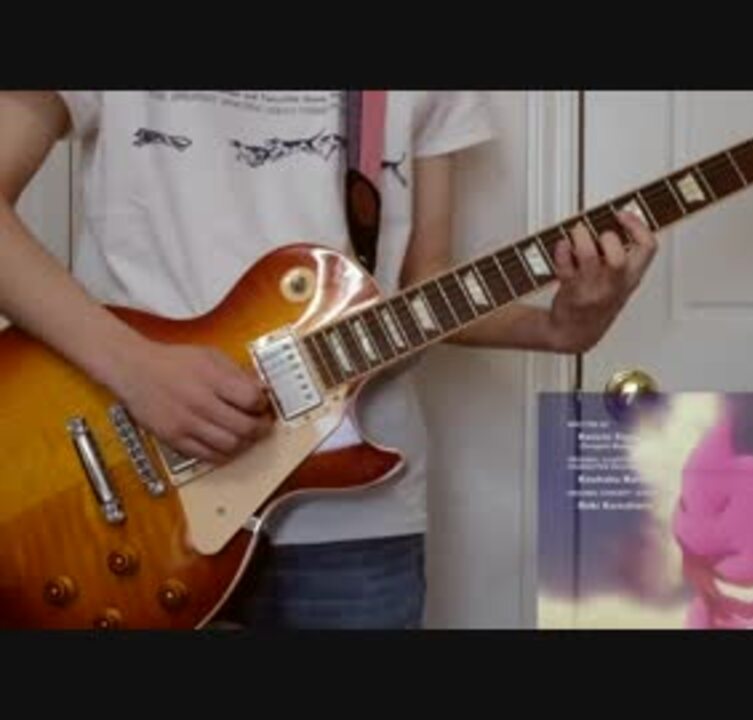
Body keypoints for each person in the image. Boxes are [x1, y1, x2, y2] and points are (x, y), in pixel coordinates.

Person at [0, 90, 658, 629]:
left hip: (357, 521)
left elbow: (423, 285)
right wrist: (136, 370)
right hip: (120, 492)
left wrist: (557, 328)